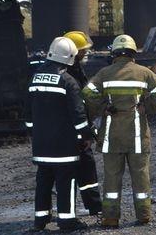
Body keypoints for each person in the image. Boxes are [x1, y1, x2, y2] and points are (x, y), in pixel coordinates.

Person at [82, 34, 156, 227]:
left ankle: (110, 217)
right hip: (137, 136)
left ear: (114, 53)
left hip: (111, 138)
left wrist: (103, 106)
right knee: (140, 176)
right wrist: (146, 106)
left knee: (112, 177)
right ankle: (144, 215)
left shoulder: (104, 73)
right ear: (133, 53)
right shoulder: (144, 73)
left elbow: (87, 92)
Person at [24, 37, 92, 232]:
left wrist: (34, 133)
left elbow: (27, 112)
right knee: (66, 182)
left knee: (43, 181)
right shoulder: (68, 81)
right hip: (64, 146)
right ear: (70, 57)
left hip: (41, 144)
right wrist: (85, 136)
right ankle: (67, 221)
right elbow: (78, 114)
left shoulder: (35, 77)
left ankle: (40, 220)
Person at [63, 31, 102, 216]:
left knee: (86, 168)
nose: (85, 53)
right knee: (81, 168)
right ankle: (90, 207)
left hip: (77, 128)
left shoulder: (75, 68)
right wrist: (85, 132)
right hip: (74, 130)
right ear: (73, 51)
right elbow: (76, 105)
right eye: (82, 50)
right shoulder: (68, 73)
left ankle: (93, 205)